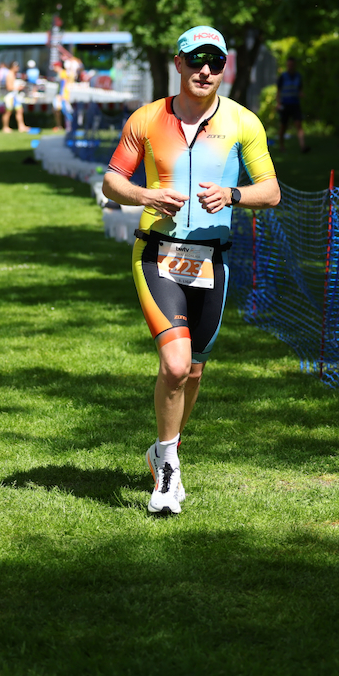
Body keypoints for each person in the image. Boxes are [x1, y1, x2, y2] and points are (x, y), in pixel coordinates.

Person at [101, 25, 281, 516]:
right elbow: (113, 181)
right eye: (196, 59)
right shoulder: (147, 118)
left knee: (195, 369)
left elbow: (271, 191)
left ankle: (165, 450)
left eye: (215, 61)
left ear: (224, 68)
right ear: (178, 63)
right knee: (176, 364)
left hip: (211, 259)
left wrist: (233, 194)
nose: (205, 70)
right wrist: (146, 194)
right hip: (157, 253)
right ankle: (166, 475)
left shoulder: (242, 122)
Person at [275, 55, 309, 153]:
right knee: (283, 126)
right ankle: (281, 146)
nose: (290, 66)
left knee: (299, 124)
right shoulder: (283, 77)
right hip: (285, 104)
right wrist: (278, 103)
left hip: (295, 104)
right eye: (288, 65)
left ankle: (303, 146)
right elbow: (278, 91)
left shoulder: (298, 76)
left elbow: (299, 89)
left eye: (292, 65)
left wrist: (301, 94)